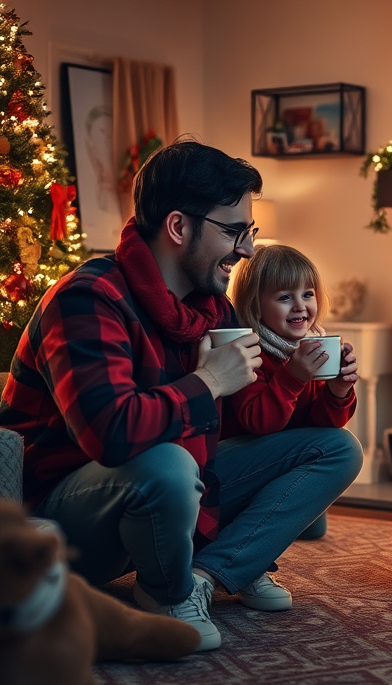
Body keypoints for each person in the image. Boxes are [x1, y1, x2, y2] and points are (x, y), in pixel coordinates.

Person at [0, 139, 363, 653]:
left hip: (180, 495)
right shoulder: (87, 298)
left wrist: (326, 385)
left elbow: (256, 422)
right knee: (168, 463)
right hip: (67, 517)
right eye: (236, 231)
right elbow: (112, 433)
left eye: (250, 232)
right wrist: (209, 382)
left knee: (336, 449)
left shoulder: (213, 311)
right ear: (178, 227)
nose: (247, 250)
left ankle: (207, 577)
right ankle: (166, 592)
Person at [224, 243, 362, 538]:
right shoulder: (249, 352)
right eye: (285, 297)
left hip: (285, 460)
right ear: (255, 304)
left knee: (314, 528)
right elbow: (259, 422)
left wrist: (338, 391)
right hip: (245, 464)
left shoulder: (308, 348)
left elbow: (321, 429)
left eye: (307, 294)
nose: (300, 306)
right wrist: (293, 377)